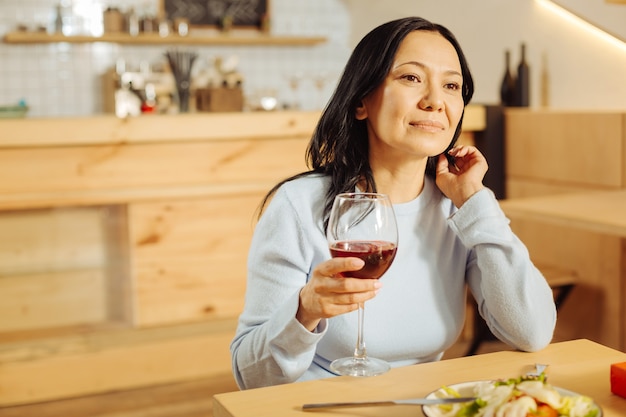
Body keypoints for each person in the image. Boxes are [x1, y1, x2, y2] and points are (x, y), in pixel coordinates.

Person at [230, 16, 556, 390]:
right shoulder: (299, 206)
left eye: (451, 85)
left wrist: (475, 200)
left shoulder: (458, 210)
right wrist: (304, 311)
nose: (435, 101)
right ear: (360, 103)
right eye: (411, 78)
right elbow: (250, 376)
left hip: (422, 404)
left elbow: (532, 331)